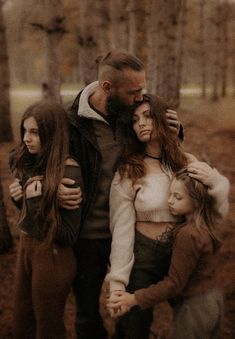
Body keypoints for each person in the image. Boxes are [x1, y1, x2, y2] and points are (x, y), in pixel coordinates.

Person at [58, 51, 182, 339]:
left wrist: (176, 131)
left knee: (130, 309)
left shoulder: (131, 113)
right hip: (88, 235)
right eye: (134, 92)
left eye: (142, 90)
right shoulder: (69, 121)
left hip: (131, 232)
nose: (140, 97)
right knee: (88, 312)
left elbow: (156, 144)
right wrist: (40, 183)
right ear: (107, 88)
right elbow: (25, 155)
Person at [105, 94, 229, 339]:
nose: (141, 123)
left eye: (149, 116)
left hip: (182, 252)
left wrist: (214, 180)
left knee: (194, 322)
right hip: (144, 256)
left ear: (163, 119)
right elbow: (121, 229)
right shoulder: (129, 170)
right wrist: (117, 283)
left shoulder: (184, 162)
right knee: (132, 326)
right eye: (135, 119)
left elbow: (217, 212)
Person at [107, 165, 230, 339]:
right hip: (213, 300)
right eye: (170, 194)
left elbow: (174, 284)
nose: (169, 201)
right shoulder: (205, 225)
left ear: (196, 201)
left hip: (194, 309)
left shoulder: (189, 235)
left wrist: (134, 299)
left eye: (177, 197)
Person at [9, 101, 83, 339]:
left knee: (47, 328)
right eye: (25, 131)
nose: (26, 139)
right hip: (27, 249)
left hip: (53, 257)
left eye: (34, 132)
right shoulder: (33, 160)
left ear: (52, 134)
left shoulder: (68, 171)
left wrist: (34, 202)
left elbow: (68, 235)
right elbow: (32, 213)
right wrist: (20, 200)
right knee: (22, 321)